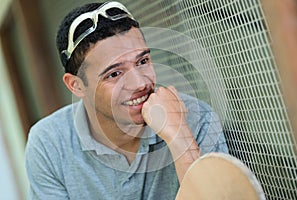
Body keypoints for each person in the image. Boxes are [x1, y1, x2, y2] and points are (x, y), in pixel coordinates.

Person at [25, 1, 228, 199]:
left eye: (142, 61)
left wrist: (179, 135)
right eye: (114, 74)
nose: (139, 83)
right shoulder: (49, 143)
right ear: (76, 85)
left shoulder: (197, 118)